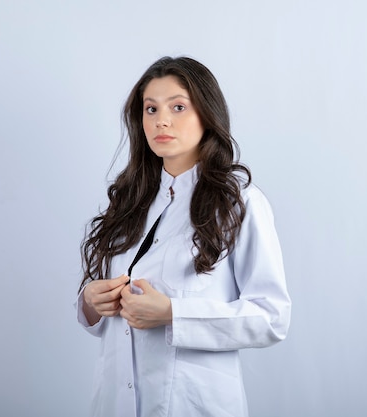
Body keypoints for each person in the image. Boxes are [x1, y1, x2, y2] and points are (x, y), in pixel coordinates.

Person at [76, 56, 291, 417]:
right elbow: (104, 316)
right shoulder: (131, 201)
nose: (161, 120)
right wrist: (90, 303)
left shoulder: (239, 202)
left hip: (193, 405)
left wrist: (174, 314)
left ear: (207, 114)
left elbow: (272, 317)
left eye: (178, 107)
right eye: (150, 108)